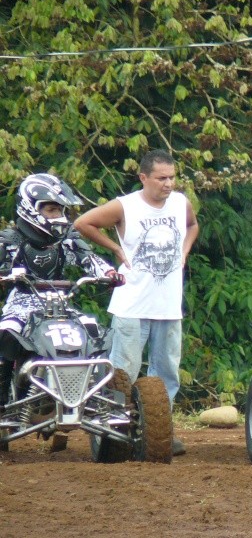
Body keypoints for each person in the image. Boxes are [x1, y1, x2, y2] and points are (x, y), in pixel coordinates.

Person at [73, 149, 199, 456]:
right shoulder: (125, 206)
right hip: (131, 306)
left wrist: (183, 252)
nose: (168, 184)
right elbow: (83, 223)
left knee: (166, 371)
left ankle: (159, 433)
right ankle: (116, 433)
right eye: (161, 178)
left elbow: (193, 226)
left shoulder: (181, 203)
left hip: (168, 307)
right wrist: (115, 248)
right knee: (123, 373)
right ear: (143, 177)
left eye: (172, 177)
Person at [0, 174, 123, 448]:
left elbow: (89, 259)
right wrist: (7, 274)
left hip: (61, 302)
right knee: (7, 333)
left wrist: (109, 272)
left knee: (94, 330)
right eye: (52, 209)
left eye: (61, 210)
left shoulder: (67, 238)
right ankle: (4, 404)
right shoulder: (10, 239)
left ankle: (99, 402)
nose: (59, 216)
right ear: (32, 207)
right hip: (22, 303)